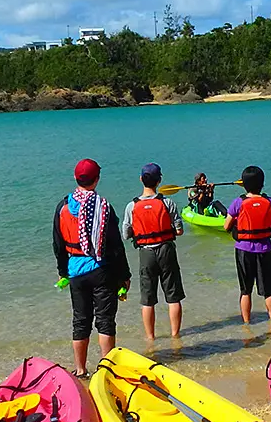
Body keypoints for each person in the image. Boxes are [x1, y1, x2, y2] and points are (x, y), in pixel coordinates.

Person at [54, 159, 131, 377]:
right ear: (97, 179)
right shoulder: (104, 207)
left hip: (75, 271)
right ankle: (107, 370)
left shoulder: (63, 207)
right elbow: (116, 246)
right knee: (105, 321)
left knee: (81, 321)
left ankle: (80, 369)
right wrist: (124, 276)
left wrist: (63, 272)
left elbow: (58, 244)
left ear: (76, 178)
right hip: (102, 270)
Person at [122, 163, 186, 341]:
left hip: (146, 253)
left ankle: (150, 338)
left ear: (141, 179)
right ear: (159, 181)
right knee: (173, 296)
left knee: (147, 298)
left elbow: (126, 234)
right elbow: (179, 231)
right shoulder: (167, 203)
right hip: (166, 250)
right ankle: (175, 335)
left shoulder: (131, 206)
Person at [224, 166, 271, 324]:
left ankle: (247, 323)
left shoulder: (238, 202)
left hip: (243, 251)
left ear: (243, 184)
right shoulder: (268, 201)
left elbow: (226, 226)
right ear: (262, 184)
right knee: (269, 290)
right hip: (265, 250)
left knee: (245, 290)